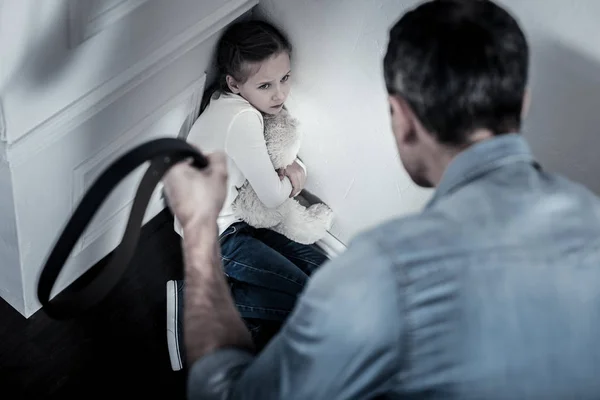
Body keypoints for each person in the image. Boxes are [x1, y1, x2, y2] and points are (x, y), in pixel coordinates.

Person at [163, 0, 600, 398]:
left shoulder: (382, 274)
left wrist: (199, 231)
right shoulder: (590, 216)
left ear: (401, 119)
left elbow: (230, 394)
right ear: (523, 105)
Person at [165, 20, 329, 371]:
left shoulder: (226, 104)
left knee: (321, 269)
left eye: (285, 78)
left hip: (233, 222)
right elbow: (272, 196)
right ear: (234, 84)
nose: (280, 95)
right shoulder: (241, 120)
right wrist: (296, 177)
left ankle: (246, 313)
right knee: (309, 297)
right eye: (265, 84)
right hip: (216, 237)